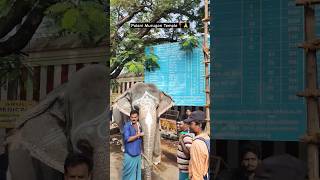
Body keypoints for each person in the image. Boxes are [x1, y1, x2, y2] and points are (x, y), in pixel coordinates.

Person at [185, 111, 210, 180]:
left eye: (191, 123)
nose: (189, 126)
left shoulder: (197, 143)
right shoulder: (207, 138)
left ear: (200, 125)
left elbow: (197, 173)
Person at [122, 110, 144, 180]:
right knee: (127, 175)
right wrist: (139, 134)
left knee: (137, 174)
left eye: (135, 117)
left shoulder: (140, 125)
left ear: (138, 117)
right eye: (132, 117)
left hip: (137, 154)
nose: (134, 119)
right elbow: (127, 139)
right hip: (129, 154)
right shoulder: (127, 126)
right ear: (130, 118)